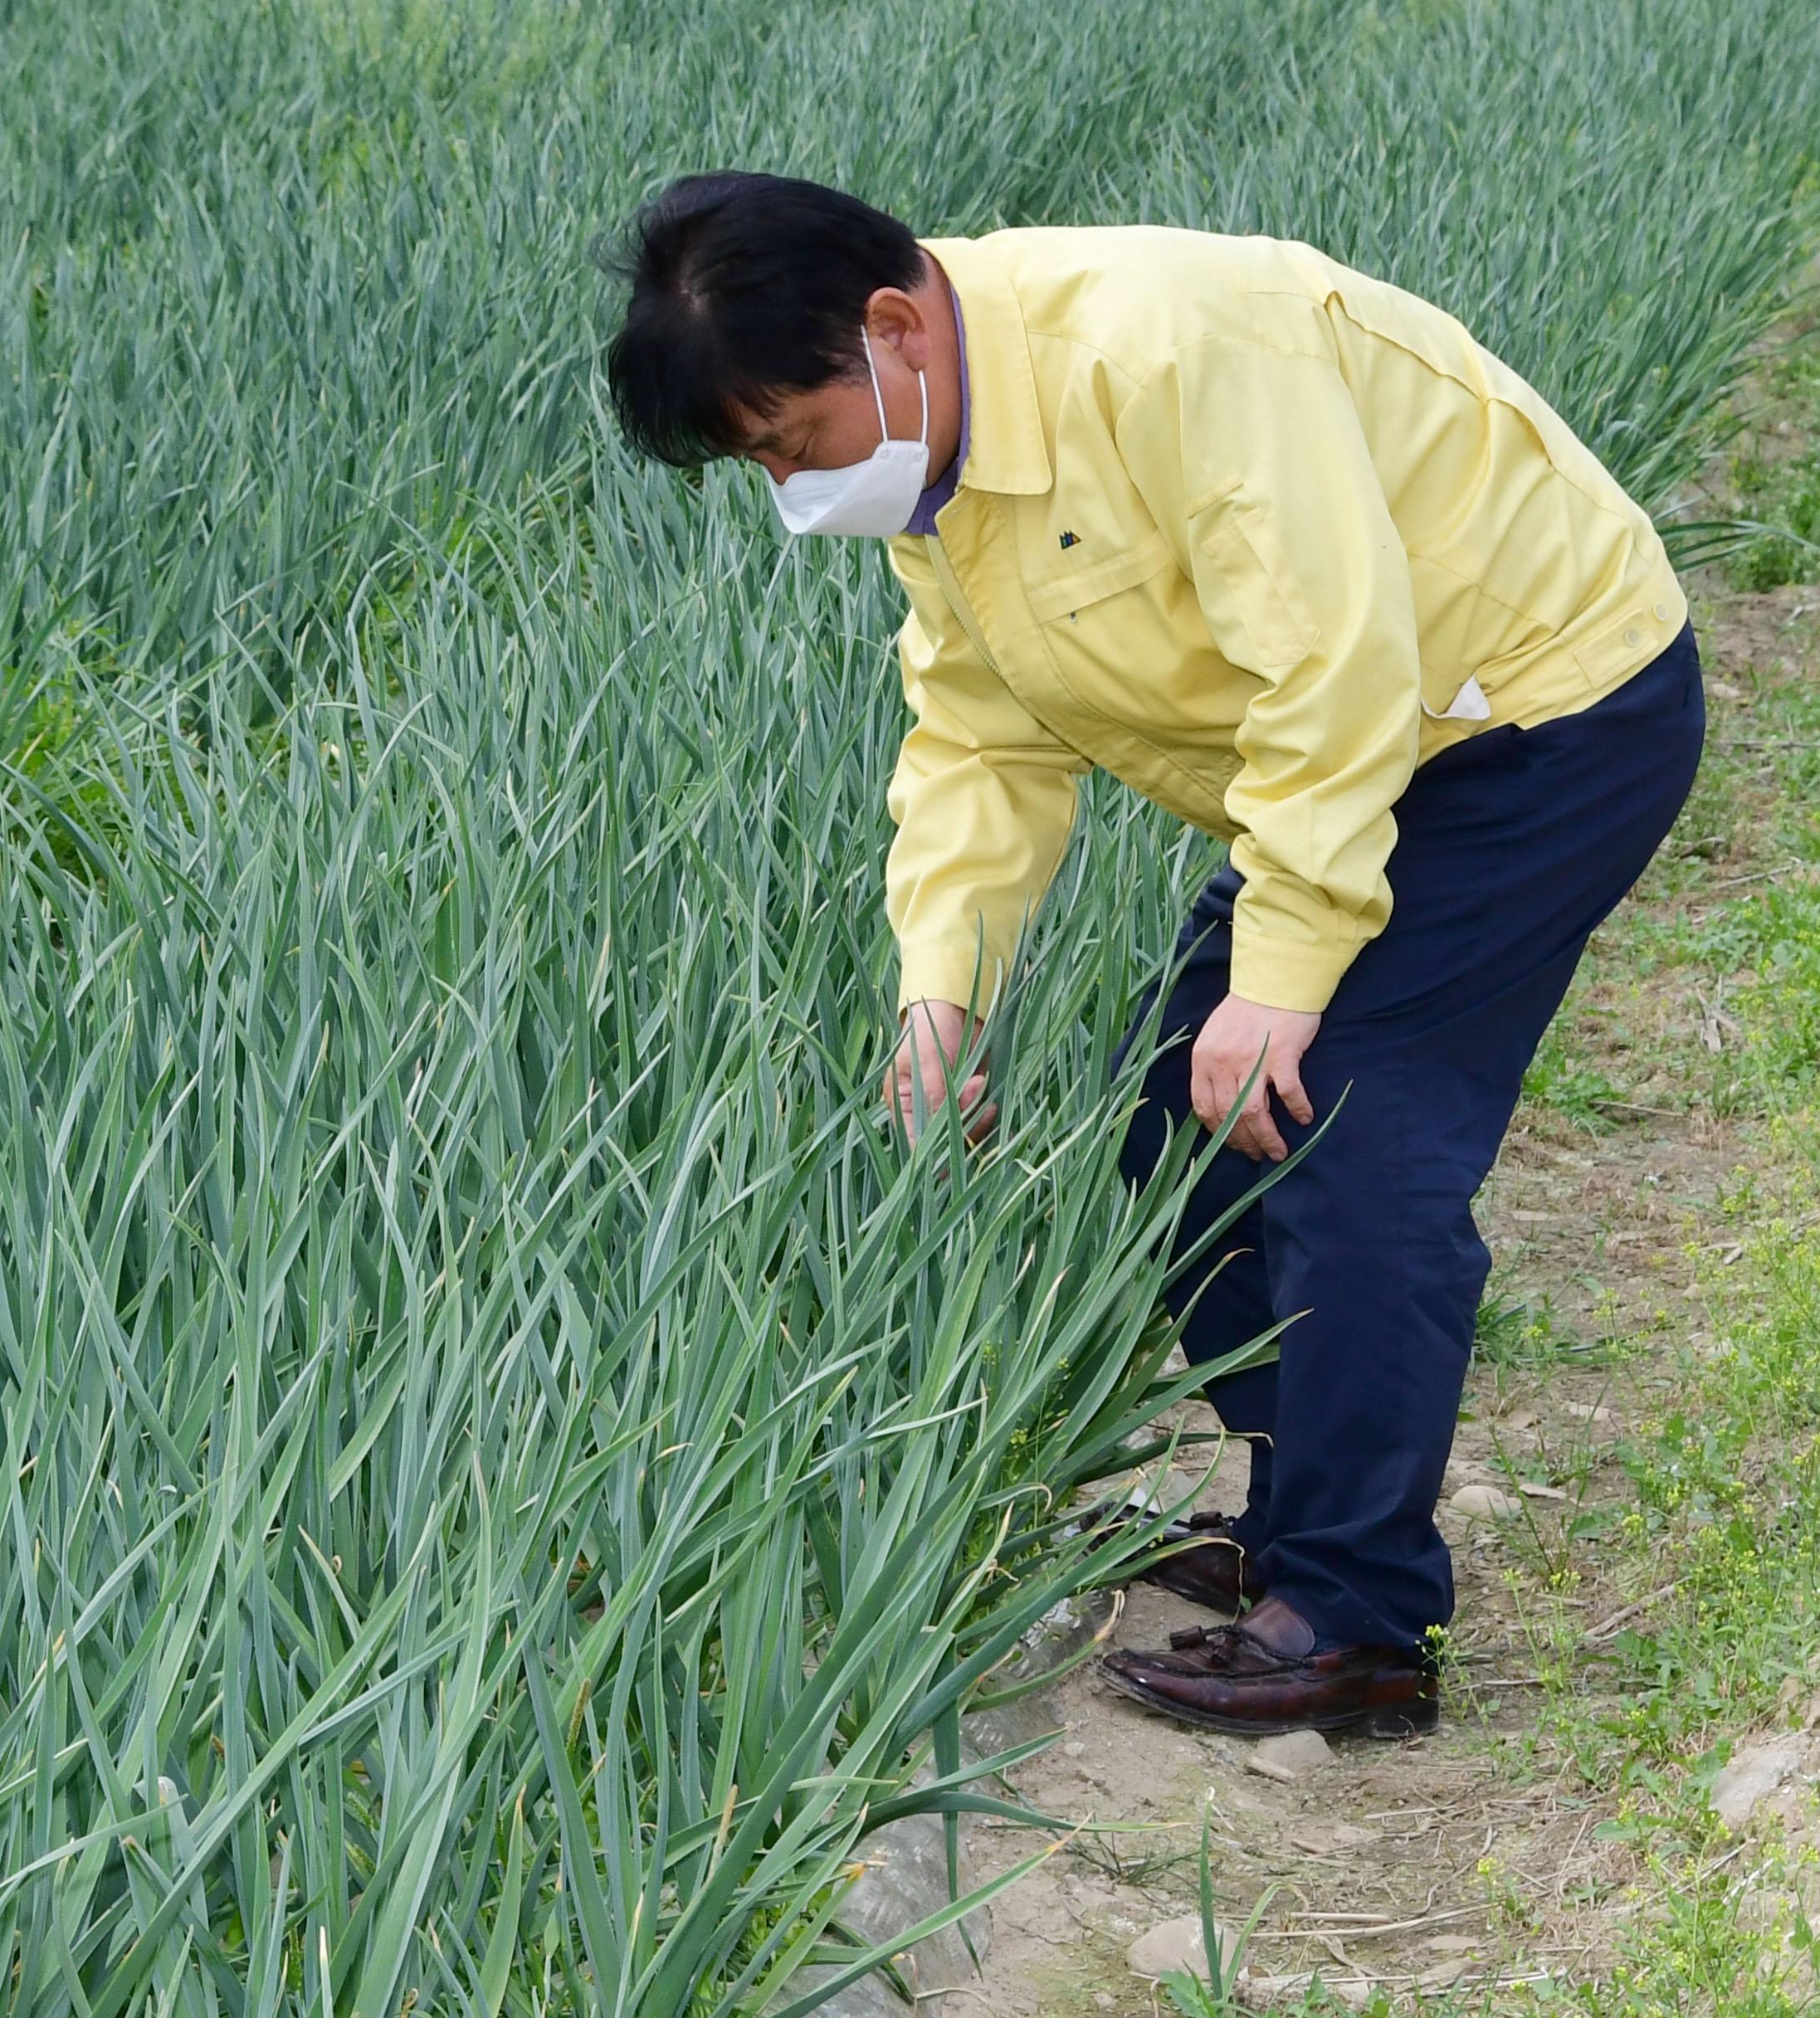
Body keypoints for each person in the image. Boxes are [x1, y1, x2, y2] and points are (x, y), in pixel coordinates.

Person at [600, 173, 1703, 1740]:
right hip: (1362, 755)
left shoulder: (1176, 352)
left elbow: (1335, 667)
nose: (793, 488)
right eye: (761, 465)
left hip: (1534, 715)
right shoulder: (942, 462)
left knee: (1338, 1131)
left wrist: (1286, 974)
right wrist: (943, 994)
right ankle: (1301, 1516)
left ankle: (1360, 1625)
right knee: (1170, 1121)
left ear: (895, 330)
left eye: (790, 441)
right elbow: (978, 737)